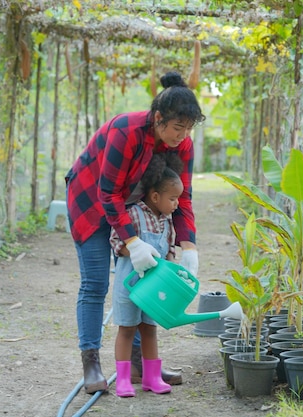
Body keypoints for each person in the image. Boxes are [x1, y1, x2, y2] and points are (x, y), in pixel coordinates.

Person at [65, 71, 205, 394]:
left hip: (131, 209)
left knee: (144, 281)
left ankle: (141, 366)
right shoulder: (126, 131)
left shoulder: (182, 146)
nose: (183, 135)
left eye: (188, 128)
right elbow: (108, 193)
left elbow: (182, 197)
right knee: (96, 283)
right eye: (177, 127)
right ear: (158, 119)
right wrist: (132, 241)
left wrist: (190, 247)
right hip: (92, 201)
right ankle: (91, 365)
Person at [110, 153, 184, 397]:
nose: (176, 204)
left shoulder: (167, 221)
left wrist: (174, 270)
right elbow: (115, 241)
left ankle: (151, 378)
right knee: (127, 330)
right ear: (155, 196)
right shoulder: (133, 214)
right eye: (172, 198)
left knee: (150, 329)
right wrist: (133, 248)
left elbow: (170, 249)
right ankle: (123, 380)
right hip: (129, 287)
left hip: (154, 290)